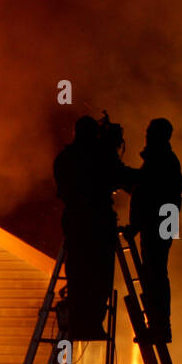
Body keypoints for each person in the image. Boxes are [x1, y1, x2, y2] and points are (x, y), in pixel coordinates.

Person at [54, 115, 131, 340]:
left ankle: (80, 322)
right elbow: (122, 178)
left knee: (78, 273)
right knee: (100, 275)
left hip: (75, 221)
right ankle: (93, 323)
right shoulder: (101, 156)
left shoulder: (65, 158)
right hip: (98, 221)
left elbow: (63, 189)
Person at [124, 118, 182, 343]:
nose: (146, 135)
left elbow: (149, 196)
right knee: (153, 275)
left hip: (156, 227)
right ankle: (158, 324)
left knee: (154, 275)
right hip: (157, 226)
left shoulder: (161, 161)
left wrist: (136, 226)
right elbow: (144, 191)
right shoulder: (161, 161)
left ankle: (159, 325)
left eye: (150, 132)